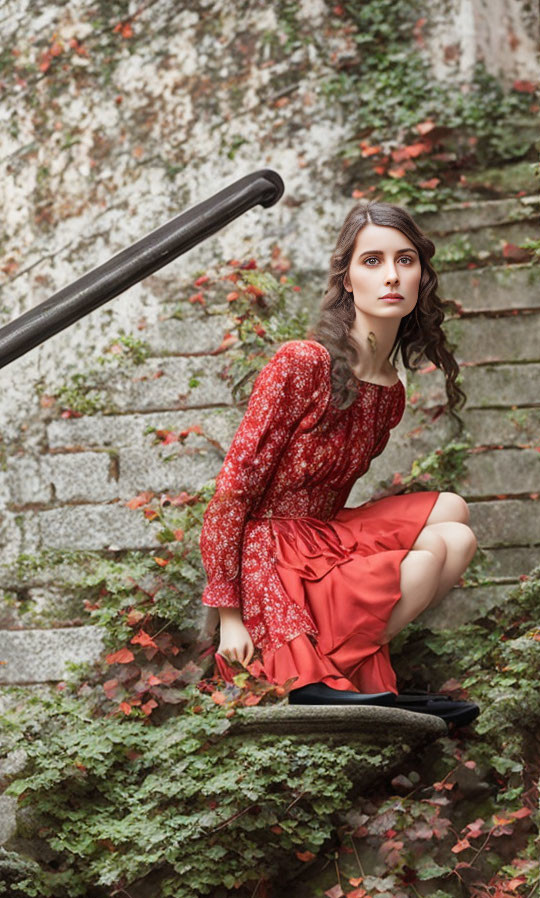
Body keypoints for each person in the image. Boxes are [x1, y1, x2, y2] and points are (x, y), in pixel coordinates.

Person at [199, 200, 480, 722]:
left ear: (422, 274)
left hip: (322, 537)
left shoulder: (389, 392)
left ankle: (339, 665)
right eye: (371, 261)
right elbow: (232, 491)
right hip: (269, 552)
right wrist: (229, 615)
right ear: (347, 280)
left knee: (455, 522)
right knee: (426, 556)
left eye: (406, 260)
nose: (391, 275)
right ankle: (317, 670)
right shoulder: (302, 363)